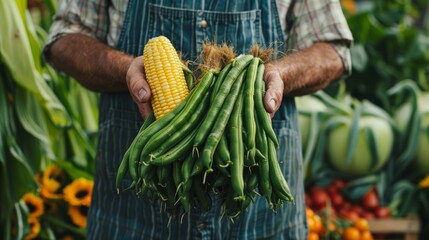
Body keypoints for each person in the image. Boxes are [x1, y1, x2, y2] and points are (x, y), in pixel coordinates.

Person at [43, 0, 352, 239]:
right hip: (136, 213)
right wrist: (126, 69)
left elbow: (332, 49)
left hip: (257, 219)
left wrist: (279, 74)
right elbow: (64, 39)